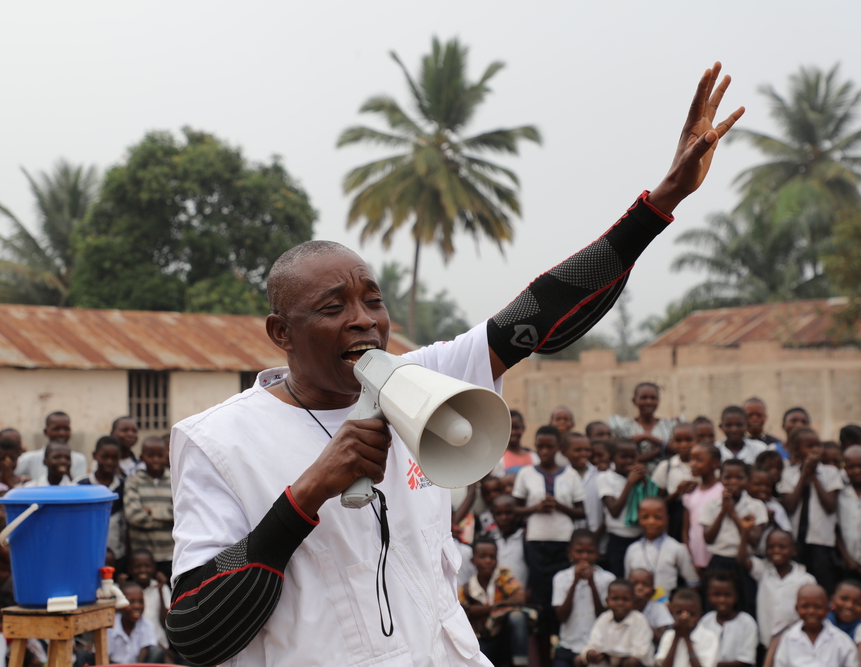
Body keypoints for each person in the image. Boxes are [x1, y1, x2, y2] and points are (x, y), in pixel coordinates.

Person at [165, 62, 745, 667]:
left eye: (373, 298)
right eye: (333, 306)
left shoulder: (421, 380)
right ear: (281, 333)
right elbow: (195, 633)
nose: (364, 320)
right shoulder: (217, 442)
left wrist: (661, 203)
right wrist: (310, 491)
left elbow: (542, 311)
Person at [514, 425, 585, 660]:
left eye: (549, 446)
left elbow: (580, 512)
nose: (544, 450)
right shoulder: (526, 474)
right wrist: (536, 507)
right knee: (541, 601)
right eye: (540, 446)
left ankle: (561, 652)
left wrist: (558, 506)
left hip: (563, 545)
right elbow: (514, 509)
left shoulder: (571, 474)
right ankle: (543, 655)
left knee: (561, 597)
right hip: (536, 544)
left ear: (559, 448)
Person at [778, 426, 843, 594]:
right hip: (796, 543)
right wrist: (804, 474)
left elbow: (830, 506)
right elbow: (790, 505)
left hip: (822, 543)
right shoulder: (788, 474)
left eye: (818, 445)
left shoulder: (830, 473)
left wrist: (813, 475)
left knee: (824, 586)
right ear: (796, 450)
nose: (816, 450)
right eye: (810, 446)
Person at [700, 459, 766, 615]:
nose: (733, 481)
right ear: (720, 479)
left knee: (745, 606)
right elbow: (708, 538)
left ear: (748, 480)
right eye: (728, 477)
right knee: (713, 608)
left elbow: (754, 540)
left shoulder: (756, 506)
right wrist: (723, 511)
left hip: (743, 565)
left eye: (739, 477)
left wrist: (732, 513)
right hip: (718, 563)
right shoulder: (711, 505)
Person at [735, 528, 816, 652]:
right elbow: (742, 559)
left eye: (782, 547)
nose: (776, 550)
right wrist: (745, 531)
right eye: (771, 547)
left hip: (793, 643)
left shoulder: (805, 579)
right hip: (766, 642)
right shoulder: (763, 570)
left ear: (794, 551)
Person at [458, 538, 531, 667]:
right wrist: (502, 606)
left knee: (517, 617)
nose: (488, 561)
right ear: (473, 560)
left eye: (492, 557)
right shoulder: (466, 589)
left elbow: (520, 598)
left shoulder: (503, 575)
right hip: (482, 641)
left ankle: (521, 663)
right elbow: (464, 611)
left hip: (505, 637)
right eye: (483, 556)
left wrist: (485, 609)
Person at [552, 530, 617, 667]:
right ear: (570, 552)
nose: (585, 556)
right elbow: (561, 616)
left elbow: (604, 615)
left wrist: (592, 584)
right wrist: (575, 582)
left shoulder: (608, 579)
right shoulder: (561, 578)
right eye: (579, 551)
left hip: (597, 648)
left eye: (590, 552)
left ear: (598, 553)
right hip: (568, 646)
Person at [624, 497, 698, 599]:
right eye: (645, 517)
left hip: (666, 606)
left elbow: (693, 582)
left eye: (657, 517)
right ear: (638, 518)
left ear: (667, 519)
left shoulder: (677, 548)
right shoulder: (632, 549)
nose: (651, 522)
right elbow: (628, 582)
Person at [771, 584, 857, 667]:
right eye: (805, 606)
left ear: (827, 609)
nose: (811, 611)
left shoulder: (842, 641)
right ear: (797, 608)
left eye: (818, 607)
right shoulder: (788, 639)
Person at [124, 436, 174, 579]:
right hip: (142, 557)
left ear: (167, 456)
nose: (156, 460)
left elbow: (182, 513)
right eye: (151, 455)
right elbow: (133, 516)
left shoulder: (175, 480)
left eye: (160, 455)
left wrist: (153, 512)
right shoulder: (133, 481)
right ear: (141, 457)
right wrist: (167, 521)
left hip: (170, 553)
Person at [575, 579, 653, 667]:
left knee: (630, 662)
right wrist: (591, 652)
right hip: (608, 661)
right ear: (607, 600)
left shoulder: (639, 620)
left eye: (625, 599)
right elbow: (594, 643)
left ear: (633, 601)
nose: (620, 603)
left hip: (632, 662)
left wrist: (616, 655)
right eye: (615, 599)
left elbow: (640, 652)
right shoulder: (604, 618)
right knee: (579, 659)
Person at [597, 439, 645, 576]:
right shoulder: (605, 478)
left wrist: (644, 481)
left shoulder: (639, 477)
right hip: (618, 540)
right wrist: (629, 482)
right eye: (624, 457)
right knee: (618, 577)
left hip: (640, 538)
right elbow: (614, 511)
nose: (629, 461)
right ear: (612, 459)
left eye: (633, 457)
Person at [76, 436, 127, 565]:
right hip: (86, 552)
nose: (109, 462)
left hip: (117, 555)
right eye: (104, 457)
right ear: (94, 456)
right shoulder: (81, 485)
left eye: (114, 458)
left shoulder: (124, 485)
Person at [609, 383, 677, 473]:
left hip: (667, 478)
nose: (649, 402)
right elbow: (625, 456)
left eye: (653, 398)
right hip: (634, 479)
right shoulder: (624, 426)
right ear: (634, 401)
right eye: (644, 398)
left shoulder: (670, 425)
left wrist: (647, 437)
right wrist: (662, 449)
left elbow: (677, 450)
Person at [696, 570, 757, 667]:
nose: (722, 600)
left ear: (736, 597)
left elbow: (746, 661)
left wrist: (711, 664)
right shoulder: (705, 621)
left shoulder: (746, 622)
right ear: (708, 596)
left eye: (727, 595)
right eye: (717, 594)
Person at [652, 422, 698, 540]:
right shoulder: (666, 467)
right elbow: (659, 503)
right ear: (672, 442)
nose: (684, 444)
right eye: (678, 440)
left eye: (688, 440)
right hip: (675, 520)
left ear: (697, 440)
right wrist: (678, 492)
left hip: (699, 517)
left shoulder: (704, 466)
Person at [13, 412, 87, 481]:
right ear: (45, 432)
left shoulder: (79, 459)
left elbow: (78, 487)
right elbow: (13, 477)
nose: (62, 433)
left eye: (66, 429)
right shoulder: (29, 458)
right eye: (56, 429)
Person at [682, 443, 722, 570]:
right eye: (691, 459)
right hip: (694, 558)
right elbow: (686, 529)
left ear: (714, 463)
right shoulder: (691, 492)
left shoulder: (722, 492)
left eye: (699, 460)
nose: (692, 464)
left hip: (716, 557)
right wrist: (689, 555)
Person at [655, 589, 718, 667]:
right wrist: (676, 637)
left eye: (691, 614)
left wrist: (687, 638)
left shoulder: (709, 637)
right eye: (679, 613)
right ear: (672, 613)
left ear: (700, 615)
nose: (684, 618)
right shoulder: (669, 635)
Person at [127, 549, 171, 655]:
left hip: (159, 645)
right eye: (137, 567)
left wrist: (160, 590)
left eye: (147, 566)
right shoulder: (126, 590)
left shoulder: (162, 588)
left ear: (154, 568)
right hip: (133, 648)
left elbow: (166, 622)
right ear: (129, 569)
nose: (143, 570)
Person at [108, 581, 161, 664]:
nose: (137, 606)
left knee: (157, 652)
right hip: (112, 665)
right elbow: (105, 657)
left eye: (141, 602)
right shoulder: (110, 625)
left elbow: (143, 656)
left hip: (138, 665)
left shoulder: (147, 625)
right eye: (130, 602)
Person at [747, 466, 791, 557]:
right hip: (747, 555)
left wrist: (774, 522)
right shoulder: (744, 505)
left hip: (769, 557)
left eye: (768, 485)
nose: (763, 488)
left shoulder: (775, 507)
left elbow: (787, 534)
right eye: (758, 484)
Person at [563, 432, 601, 533]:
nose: (583, 454)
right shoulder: (562, 476)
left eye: (587, 450)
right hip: (569, 533)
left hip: (597, 532)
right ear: (564, 452)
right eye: (577, 450)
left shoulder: (599, 474)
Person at [487, 495, 528, 588]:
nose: (504, 518)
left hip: (521, 596)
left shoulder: (525, 538)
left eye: (508, 513)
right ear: (492, 515)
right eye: (498, 514)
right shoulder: (491, 540)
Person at [628, 568, 673, 644]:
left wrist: (641, 619)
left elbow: (663, 639)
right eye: (634, 584)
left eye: (646, 585)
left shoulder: (659, 608)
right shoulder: (620, 607)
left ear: (653, 592)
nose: (639, 588)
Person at [837, 445, 861, 575]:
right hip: (849, 563)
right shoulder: (841, 495)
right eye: (851, 467)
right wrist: (847, 558)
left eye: (860, 466)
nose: (856, 471)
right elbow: (835, 528)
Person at [827, 579, 861, 646]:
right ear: (832, 600)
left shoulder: (859, 629)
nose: (849, 606)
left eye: (858, 603)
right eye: (844, 599)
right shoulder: (822, 620)